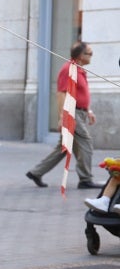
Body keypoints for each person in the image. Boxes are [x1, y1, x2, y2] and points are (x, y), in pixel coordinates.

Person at [24, 42, 103, 190]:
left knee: (64, 148)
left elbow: (80, 94)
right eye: (90, 53)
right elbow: (61, 94)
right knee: (86, 143)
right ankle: (85, 179)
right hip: (72, 113)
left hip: (80, 112)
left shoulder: (80, 70)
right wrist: (63, 116)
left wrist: (88, 111)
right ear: (81, 56)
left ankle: (36, 172)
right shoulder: (69, 69)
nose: (92, 56)